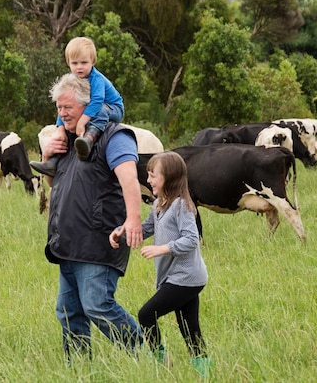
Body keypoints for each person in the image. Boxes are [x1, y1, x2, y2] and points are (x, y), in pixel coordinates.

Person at [40, 73, 144, 362]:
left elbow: (129, 180)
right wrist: (49, 154)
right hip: (68, 242)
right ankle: (80, 368)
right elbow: (56, 185)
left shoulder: (113, 135)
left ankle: (146, 355)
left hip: (100, 240)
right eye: (59, 109)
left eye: (68, 108)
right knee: (68, 311)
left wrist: (133, 219)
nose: (62, 114)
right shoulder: (71, 142)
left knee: (98, 304)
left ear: (88, 106)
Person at [110, 151, 210, 376]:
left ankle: (161, 360)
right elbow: (146, 228)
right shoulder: (159, 204)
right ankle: (205, 371)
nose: (148, 180)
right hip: (182, 277)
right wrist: (121, 233)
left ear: (170, 177)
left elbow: (192, 239)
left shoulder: (181, 205)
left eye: (153, 175)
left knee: (146, 315)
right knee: (189, 328)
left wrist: (162, 249)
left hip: (186, 277)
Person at [30, 36, 124, 176]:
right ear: (68, 63)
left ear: (93, 61)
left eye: (84, 62)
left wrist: (81, 123)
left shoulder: (96, 78)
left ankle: (88, 140)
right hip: (90, 107)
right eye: (75, 63)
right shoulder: (71, 79)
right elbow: (64, 104)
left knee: (100, 110)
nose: (79, 67)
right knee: (68, 119)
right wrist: (60, 129)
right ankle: (52, 163)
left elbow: (98, 100)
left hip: (112, 108)